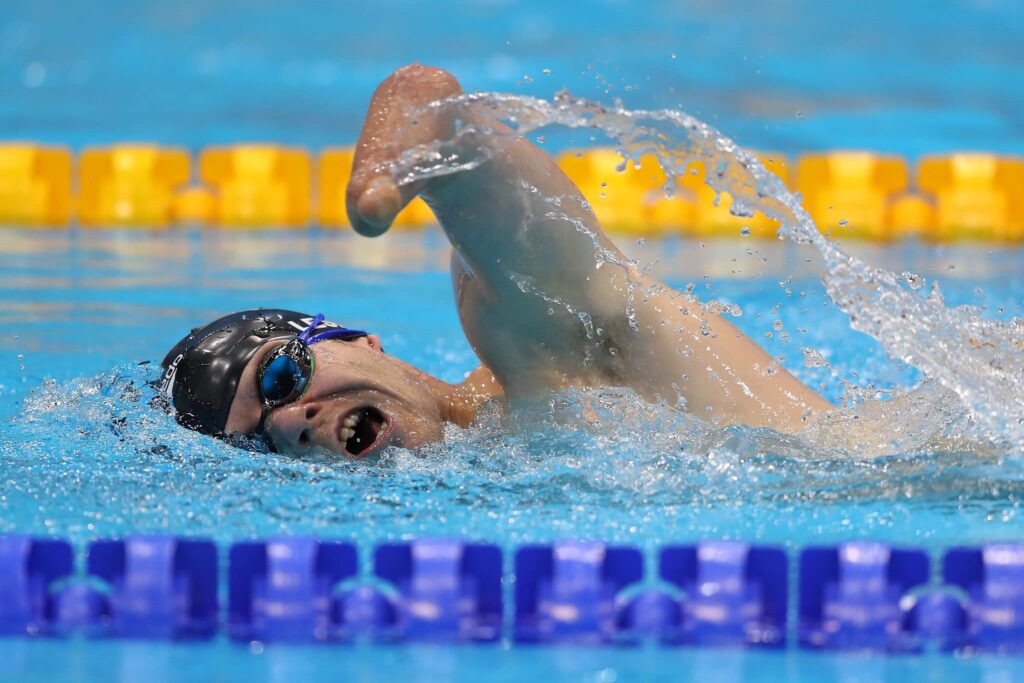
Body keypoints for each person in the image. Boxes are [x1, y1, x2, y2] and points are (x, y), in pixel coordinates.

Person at [160, 63, 832, 458]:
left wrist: (380, 185)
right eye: (262, 442)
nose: (290, 422)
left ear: (359, 338)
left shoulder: (535, 341)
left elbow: (431, 103)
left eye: (281, 374)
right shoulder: (486, 475)